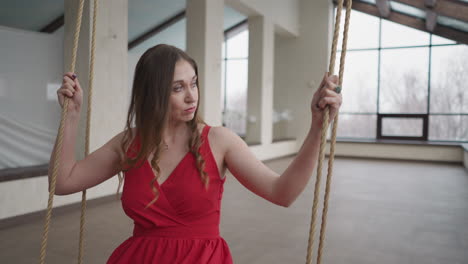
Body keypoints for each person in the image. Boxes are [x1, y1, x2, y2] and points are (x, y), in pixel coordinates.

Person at [49, 44, 342, 263]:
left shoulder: (218, 140)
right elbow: (63, 182)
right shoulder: (128, 143)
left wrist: (317, 128)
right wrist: (72, 116)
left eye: (194, 83)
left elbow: (283, 192)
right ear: (153, 93)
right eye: (178, 88)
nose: (192, 96)